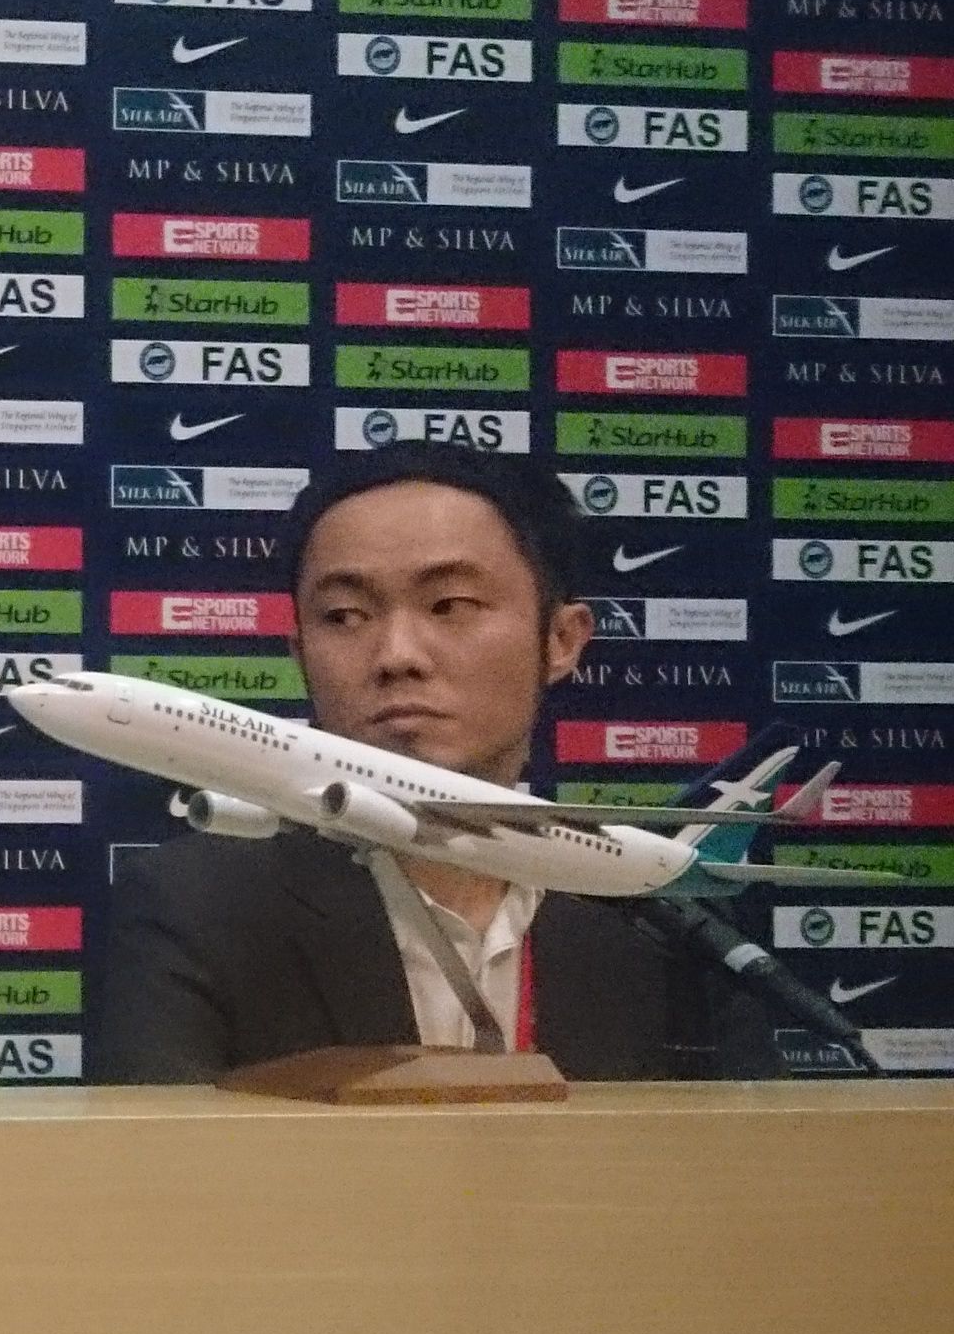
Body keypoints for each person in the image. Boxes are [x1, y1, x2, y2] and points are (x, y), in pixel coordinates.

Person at [96, 442, 770, 1083]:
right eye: (344, 615)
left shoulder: (663, 913)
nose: (396, 655)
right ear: (300, 653)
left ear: (561, 640)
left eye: (450, 605)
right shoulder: (193, 909)